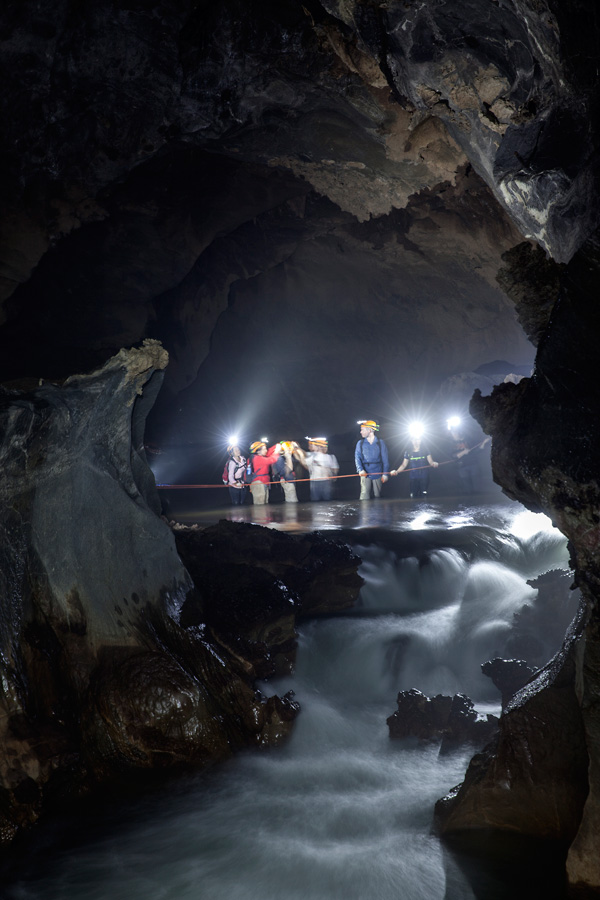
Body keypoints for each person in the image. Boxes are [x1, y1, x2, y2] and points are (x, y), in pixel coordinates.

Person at [448, 421, 491, 494]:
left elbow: (476, 450)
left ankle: (478, 499)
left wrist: (483, 444)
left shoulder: (468, 440)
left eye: (455, 432)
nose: (454, 434)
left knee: (476, 483)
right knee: (467, 486)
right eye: (453, 433)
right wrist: (463, 452)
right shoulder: (451, 443)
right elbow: (452, 456)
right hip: (461, 466)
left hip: (473, 463)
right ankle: (469, 499)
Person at [295, 437, 339, 501]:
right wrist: (297, 448)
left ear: (318, 446)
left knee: (326, 500)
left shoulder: (329, 457)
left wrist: (333, 476)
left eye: (311, 445)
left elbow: (335, 469)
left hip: (325, 482)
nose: (309, 447)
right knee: (317, 501)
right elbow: (303, 455)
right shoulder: (312, 455)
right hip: (315, 482)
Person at [355, 420, 389, 500]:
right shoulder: (360, 443)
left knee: (378, 495)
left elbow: (385, 460)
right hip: (365, 473)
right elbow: (357, 458)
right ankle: (365, 511)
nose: (360, 432)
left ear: (369, 430)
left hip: (378, 472)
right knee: (364, 496)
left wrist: (385, 474)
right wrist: (360, 470)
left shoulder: (380, 443)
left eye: (362, 429)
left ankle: (378, 511)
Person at [248, 440, 281, 505]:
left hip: (262, 482)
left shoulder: (258, 456)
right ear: (258, 451)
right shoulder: (257, 459)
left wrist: (277, 445)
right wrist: (277, 451)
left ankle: (265, 515)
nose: (266, 450)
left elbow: (268, 452)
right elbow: (272, 460)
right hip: (258, 483)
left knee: (264, 503)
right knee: (260, 505)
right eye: (264, 449)